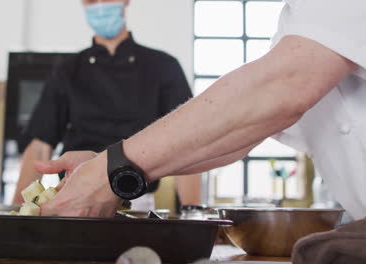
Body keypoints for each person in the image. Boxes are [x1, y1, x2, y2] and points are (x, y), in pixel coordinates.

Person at [33, 0, 366, 219]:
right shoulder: (293, 21)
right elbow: (235, 135)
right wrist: (111, 170)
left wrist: (111, 168)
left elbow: (281, 87)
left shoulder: (161, 65)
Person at [12, 0, 202, 209]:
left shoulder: (164, 66)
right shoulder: (67, 71)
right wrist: (18, 211)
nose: (101, 5)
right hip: (75, 200)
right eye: (92, 0)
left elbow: (187, 140)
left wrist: (192, 209)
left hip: (138, 202)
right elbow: (40, 146)